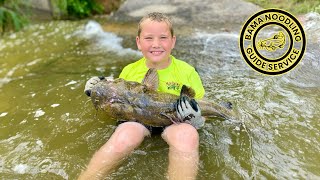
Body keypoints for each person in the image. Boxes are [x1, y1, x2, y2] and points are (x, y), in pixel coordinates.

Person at [79, 12, 205, 180]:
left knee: (187, 135)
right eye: (148, 38)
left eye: (163, 38)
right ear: (138, 42)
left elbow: (201, 104)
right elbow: (115, 100)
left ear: (173, 41)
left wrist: (196, 118)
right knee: (124, 137)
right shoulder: (129, 71)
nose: (156, 44)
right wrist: (97, 91)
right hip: (138, 121)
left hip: (175, 121)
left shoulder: (187, 71)